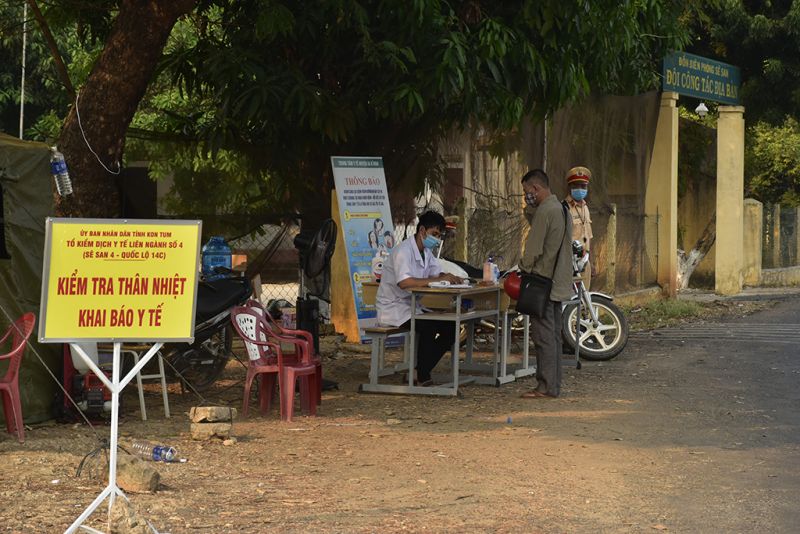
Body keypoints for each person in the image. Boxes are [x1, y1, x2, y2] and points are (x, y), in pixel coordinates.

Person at [376, 211, 463, 385]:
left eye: (440, 235)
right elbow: (404, 282)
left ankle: (418, 371)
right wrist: (438, 279)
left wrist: (450, 277)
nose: (437, 239)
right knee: (429, 327)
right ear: (422, 230)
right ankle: (422, 375)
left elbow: (435, 272)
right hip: (393, 308)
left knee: (451, 327)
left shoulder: (427, 252)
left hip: (411, 306)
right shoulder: (403, 251)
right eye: (435, 234)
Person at [519, 169, 573, 398]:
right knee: (553, 337)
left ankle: (545, 386)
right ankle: (553, 384)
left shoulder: (545, 211)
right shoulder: (562, 208)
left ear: (536, 188)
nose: (525, 196)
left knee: (542, 337)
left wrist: (523, 266)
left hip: (541, 282)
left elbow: (532, 250)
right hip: (558, 281)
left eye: (526, 191)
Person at [564, 166, 594, 289]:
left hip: (585, 261)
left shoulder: (585, 208)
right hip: (570, 263)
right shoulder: (564, 208)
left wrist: (591, 261)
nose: (580, 189)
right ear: (570, 188)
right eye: (577, 186)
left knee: (585, 297)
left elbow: (589, 236)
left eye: (583, 186)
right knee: (571, 299)